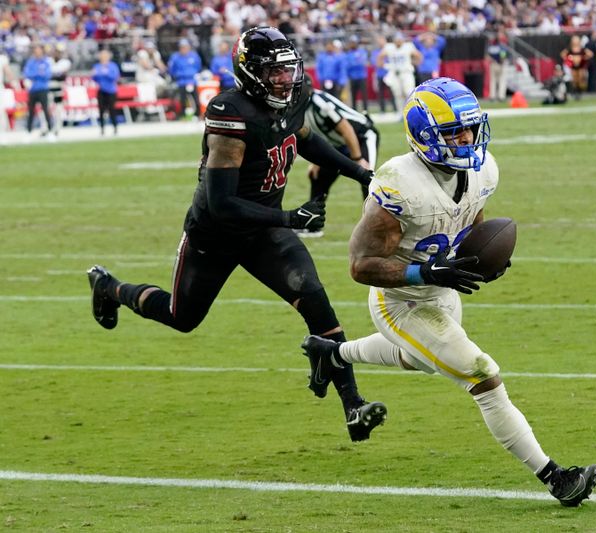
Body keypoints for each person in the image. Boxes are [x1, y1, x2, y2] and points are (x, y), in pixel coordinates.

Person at [301, 77, 596, 507]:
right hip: (400, 300)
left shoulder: (482, 169)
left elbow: (472, 215)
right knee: (482, 375)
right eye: (452, 132)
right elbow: (360, 265)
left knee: (417, 358)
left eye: (469, 128)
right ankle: (555, 477)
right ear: (424, 135)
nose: (465, 138)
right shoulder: (397, 185)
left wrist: (484, 256)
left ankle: (331, 353)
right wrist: (425, 273)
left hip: (443, 290)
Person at [87, 27, 386, 443]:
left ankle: (354, 406)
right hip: (217, 234)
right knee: (182, 317)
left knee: (316, 300)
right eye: (274, 72)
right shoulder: (230, 114)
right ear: (250, 72)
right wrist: (288, 218)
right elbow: (222, 202)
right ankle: (109, 287)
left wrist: (361, 172)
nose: (285, 79)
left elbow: (302, 138)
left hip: (263, 232)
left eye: (288, 70)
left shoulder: (294, 97)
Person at [299, 76, 379, 237]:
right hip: (338, 143)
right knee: (318, 176)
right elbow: (314, 135)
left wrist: (357, 159)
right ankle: (313, 225)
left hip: (361, 136)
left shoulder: (319, 103)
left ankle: (375, 228)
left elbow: (346, 129)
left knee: (367, 178)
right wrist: (316, 161)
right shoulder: (299, 108)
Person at [378, 32, 421, 117]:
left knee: (409, 92)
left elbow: (418, 55)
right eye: (397, 40)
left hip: (406, 73)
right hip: (394, 74)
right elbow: (380, 57)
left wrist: (415, 64)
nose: (398, 42)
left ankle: (413, 112)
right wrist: (384, 65)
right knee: (398, 94)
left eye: (400, 40)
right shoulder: (389, 47)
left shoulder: (408, 46)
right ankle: (401, 113)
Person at [23, 44, 55, 140]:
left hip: (43, 89)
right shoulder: (31, 62)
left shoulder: (46, 62)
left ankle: (50, 131)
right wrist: (38, 73)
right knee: (31, 111)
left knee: (46, 110)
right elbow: (27, 74)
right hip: (32, 90)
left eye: (38, 50)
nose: (37, 52)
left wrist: (35, 74)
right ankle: (28, 132)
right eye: (35, 50)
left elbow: (47, 75)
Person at [168, 38, 203, 118]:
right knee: (182, 99)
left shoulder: (194, 56)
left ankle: (198, 114)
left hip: (192, 81)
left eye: (185, 47)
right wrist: (178, 75)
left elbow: (198, 67)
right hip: (181, 81)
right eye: (182, 47)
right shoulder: (175, 57)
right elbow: (172, 69)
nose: (183, 49)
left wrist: (192, 74)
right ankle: (183, 114)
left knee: (196, 98)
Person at [92, 49, 121, 136]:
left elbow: (115, 77)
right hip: (101, 90)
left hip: (111, 91)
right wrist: (95, 75)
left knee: (112, 110)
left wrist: (106, 73)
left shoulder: (112, 66)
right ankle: (102, 128)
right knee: (101, 111)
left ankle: (115, 127)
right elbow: (95, 78)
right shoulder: (97, 66)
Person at [560, 35, 592, 101]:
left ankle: (579, 91)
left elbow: (590, 54)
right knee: (574, 80)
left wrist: (584, 59)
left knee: (580, 79)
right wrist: (568, 60)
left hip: (580, 66)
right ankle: (575, 92)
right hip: (573, 67)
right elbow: (562, 54)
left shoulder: (582, 49)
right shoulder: (570, 49)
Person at [370, 35, 396, 114]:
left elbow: (391, 61)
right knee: (380, 93)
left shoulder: (390, 51)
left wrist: (383, 63)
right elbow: (375, 62)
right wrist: (383, 63)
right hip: (379, 74)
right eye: (379, 41)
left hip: (389, 74)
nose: (380, 42)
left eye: (382, 40)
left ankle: (395, 108)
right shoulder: (375, 52)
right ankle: (382, 110)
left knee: (392, 92)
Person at [344, 36, 369, 112]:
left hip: (361, 76)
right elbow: (348, 65)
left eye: (354, 42)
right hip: (352, 77)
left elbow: (361, 63)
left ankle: (365, 110)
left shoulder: (362, 52)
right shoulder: (348, 54)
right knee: (353, 95)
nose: (353, 44)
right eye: (351, 42)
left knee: (364, 95)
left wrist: (353, 63)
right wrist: (354, 63)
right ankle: (354, 110)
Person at [487, 29, 510, 103]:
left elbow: (488, 54)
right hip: (500, 63)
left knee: (493, 80)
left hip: (493, 63)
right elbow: (503, 53)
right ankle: (501, 96)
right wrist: (502, 60)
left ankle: (492, 96)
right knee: (502, 80)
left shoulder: (491, 44)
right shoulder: (502, 44)